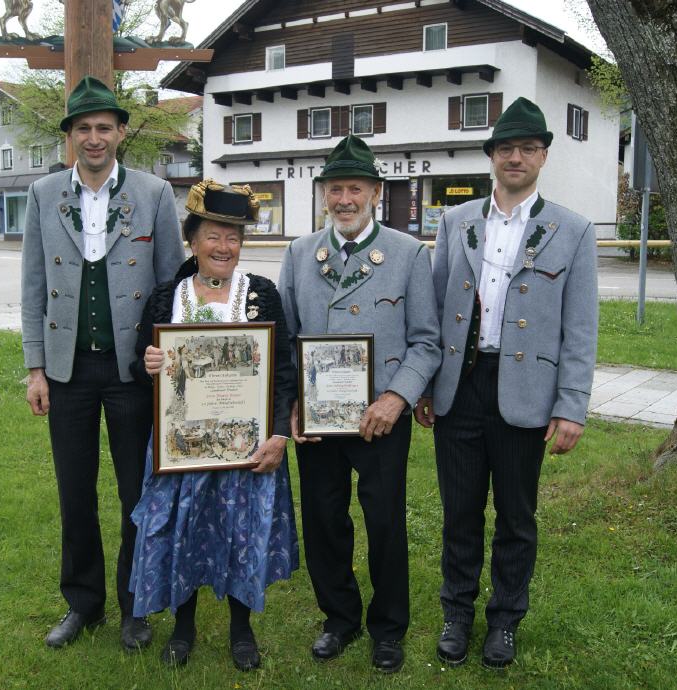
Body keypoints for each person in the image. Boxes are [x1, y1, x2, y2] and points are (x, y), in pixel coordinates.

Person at [414, 97, 598, 669]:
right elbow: (435, 308)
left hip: (526, 393)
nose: (515, 158)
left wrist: (571, 406)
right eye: (505, 149)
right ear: (491, 156)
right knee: (459, 512)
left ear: (542, 155)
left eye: (527, 149)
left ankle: (505, 622)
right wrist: (424, 384)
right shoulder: (456, 221)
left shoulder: (573, 230)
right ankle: (457, 614)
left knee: (517, 516)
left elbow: (580, 328)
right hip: (460, 385)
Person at [20, 76, 184, 650]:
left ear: (120, 133)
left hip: (131, 372)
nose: (94, 138)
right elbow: (34, 287)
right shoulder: (44, 195)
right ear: (70, 137)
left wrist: (171, 359)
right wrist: (35, 367)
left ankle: (135, 607)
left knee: (135, 495)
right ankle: (82, 604)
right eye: (84, 129)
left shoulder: (155, 193)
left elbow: (170, 286)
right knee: (75, 492)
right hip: (67, 371)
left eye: (104, 128)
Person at [279, 134, 441, 674]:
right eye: (335, 189)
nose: (344, 199)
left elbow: (426, 341)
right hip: (319, 421)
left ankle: (388, 627)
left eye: (355, 188)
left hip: (380, 419)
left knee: (385, 522)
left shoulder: (408, 254)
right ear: (324, 194)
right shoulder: (301, 254)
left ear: (375, 191)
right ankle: (340, 618)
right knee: (325, 520)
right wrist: (293, 404)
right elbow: (287, 339)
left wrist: (397, 398)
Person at [127, 180, 299, 671]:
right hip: (182, 444)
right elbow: (141, 369)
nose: (224, 247)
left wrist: (278, 435)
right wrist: (152, 362)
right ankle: (184, 627)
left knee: (240, 532)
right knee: (183, 530)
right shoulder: (167, 299)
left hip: (248, 445)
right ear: (192, 240)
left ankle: (242, 630)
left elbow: (282, 369)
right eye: (213, 236)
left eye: (233, 237)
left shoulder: (261, 295)